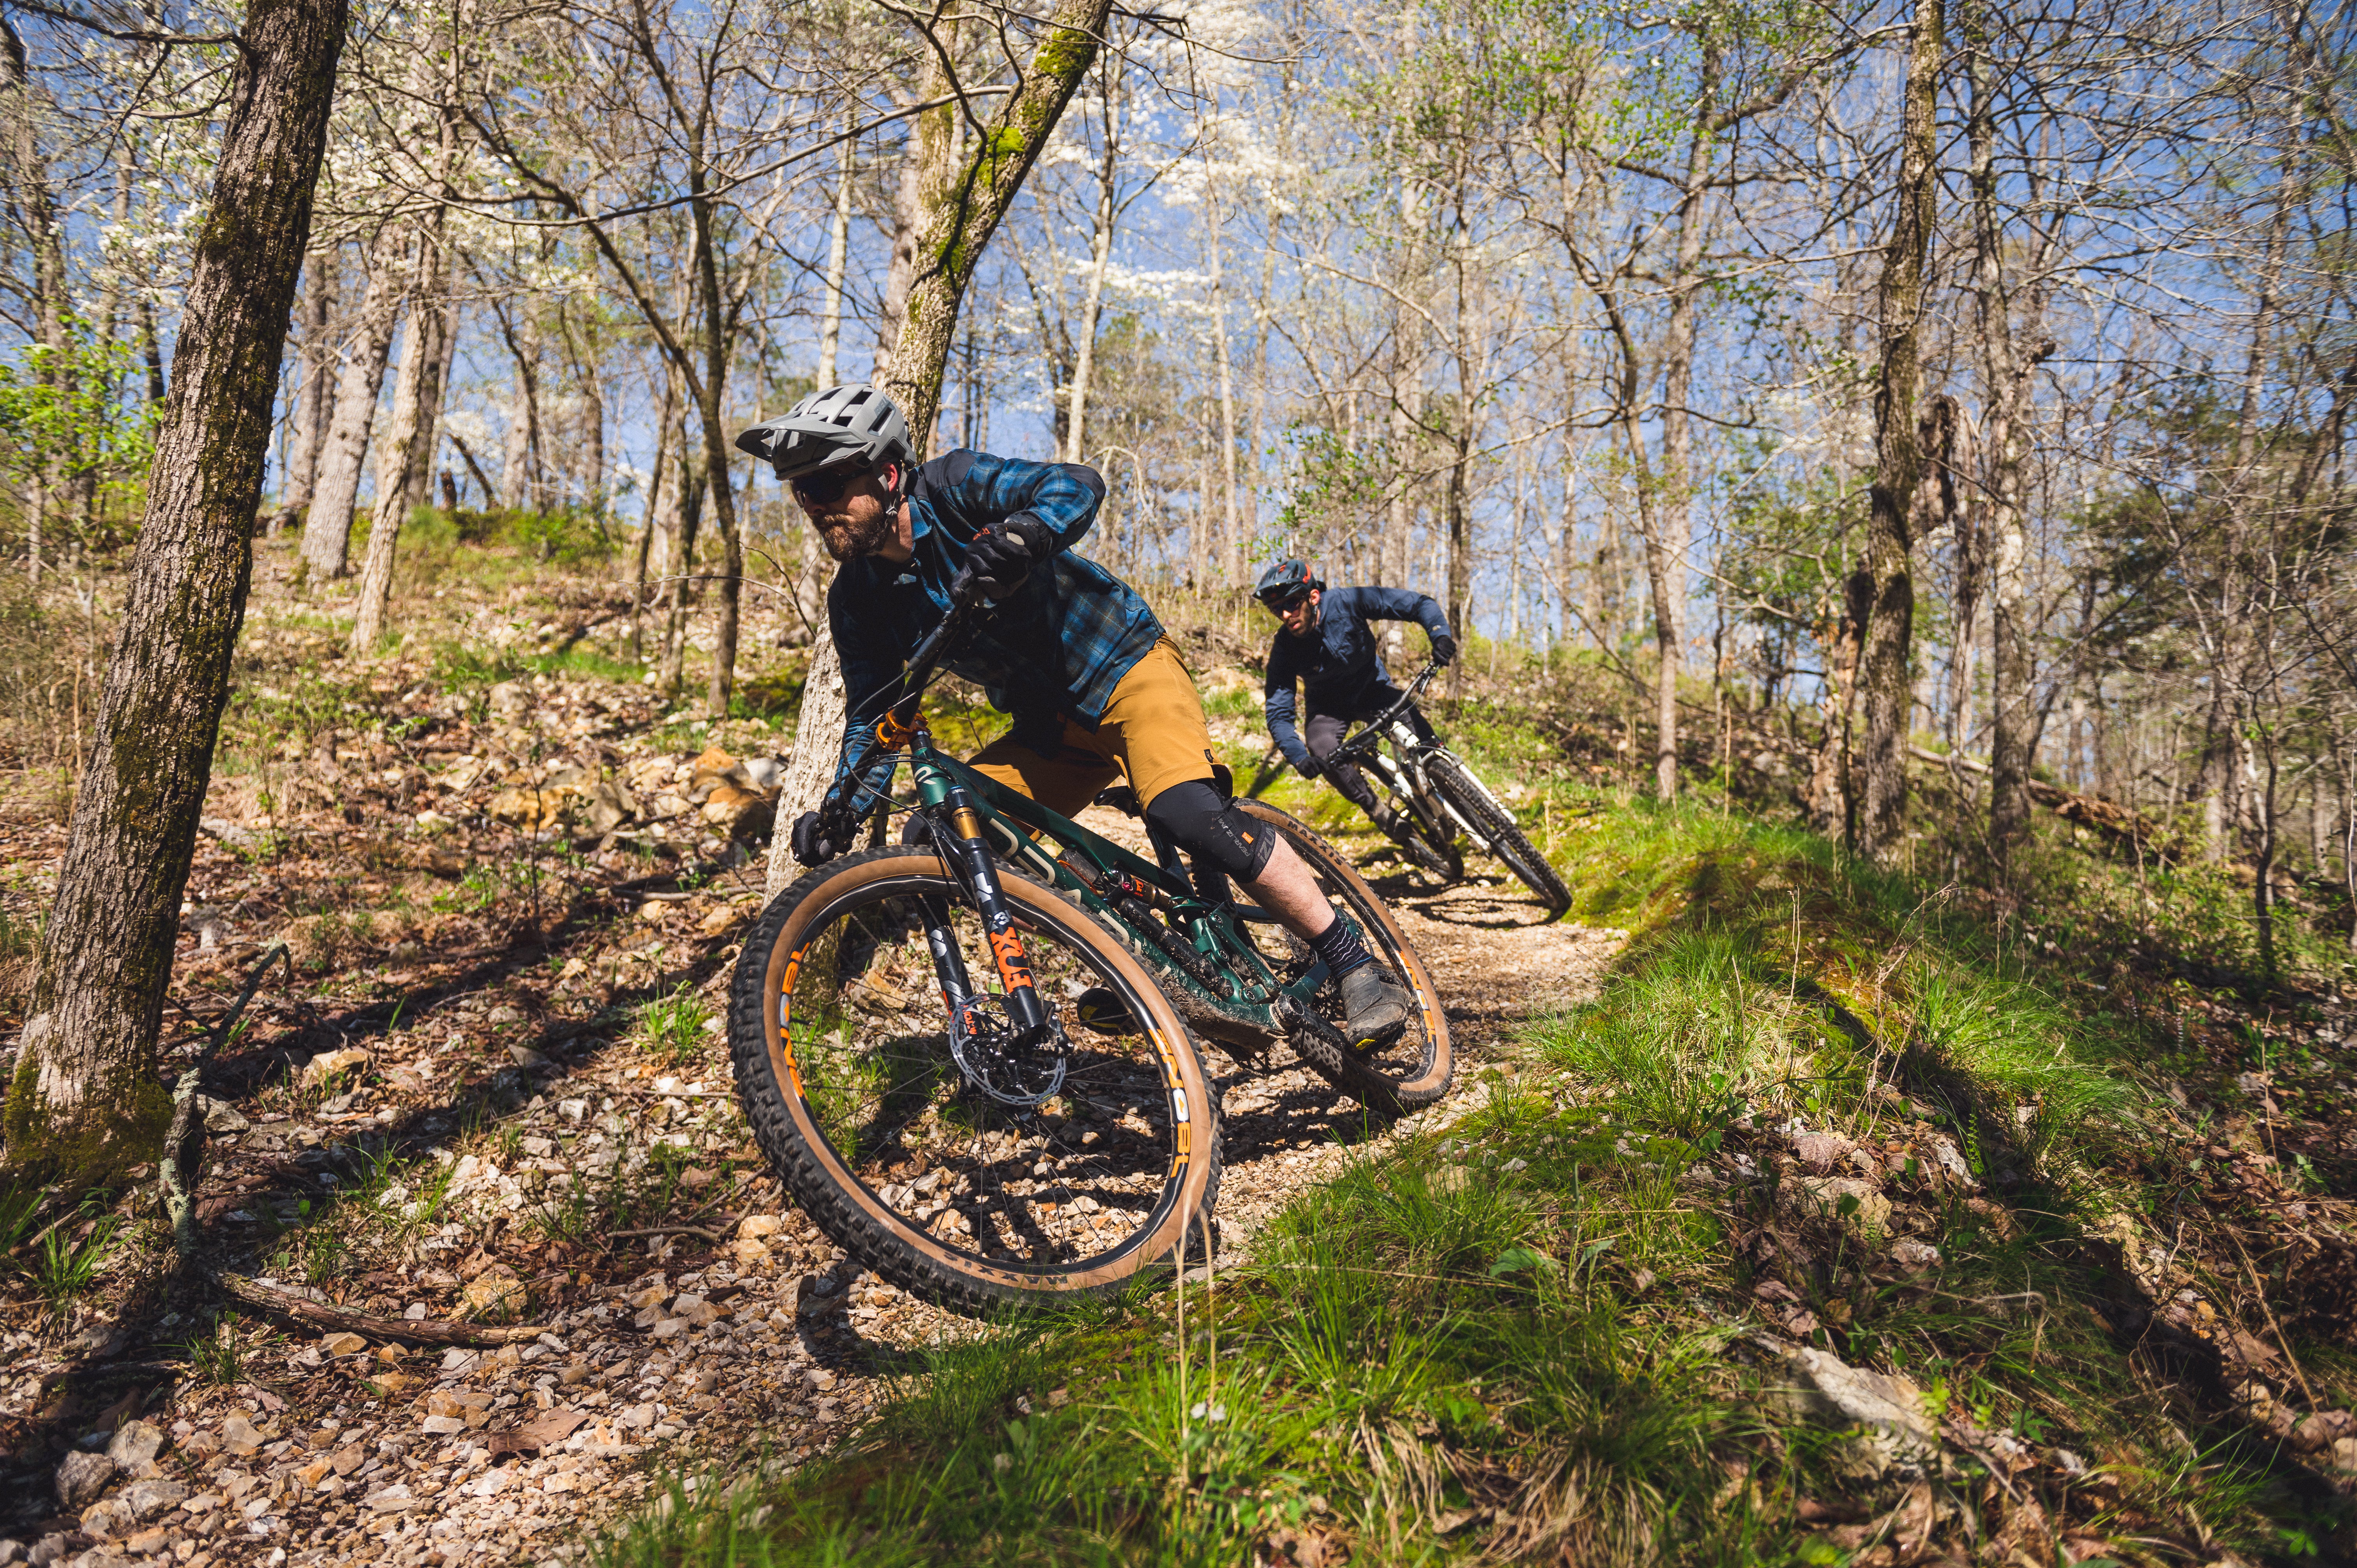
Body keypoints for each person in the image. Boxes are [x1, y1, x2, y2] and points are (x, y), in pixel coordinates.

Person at [734, 385, 1409, 1042]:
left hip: (1124, 668)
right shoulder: (858, 599)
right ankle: (1137, 962)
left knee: (1182, 810)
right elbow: (874, 714)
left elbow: (1074, 484)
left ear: (886, 473)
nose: (814, 506)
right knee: (939, 829)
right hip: (1049, 728)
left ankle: (1354, 963)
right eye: (800, 492)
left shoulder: (954, 484)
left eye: (825, 485)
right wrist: (840, 808)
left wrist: (1027, 534)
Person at [1254, 559, 1458, 872]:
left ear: (1313, 597)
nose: (1285, 615)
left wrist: (1439, 635)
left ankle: (1453, 796)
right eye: (1277, 610)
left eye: (1292, 604)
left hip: (1373, 688)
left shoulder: (1348, 602)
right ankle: (1376, 809)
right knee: (1322, 749)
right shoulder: (1284, 648)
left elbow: (1418, 604)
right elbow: (1279, 710)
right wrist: (1297, 755)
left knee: (1427, 745)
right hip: (1328, 707)